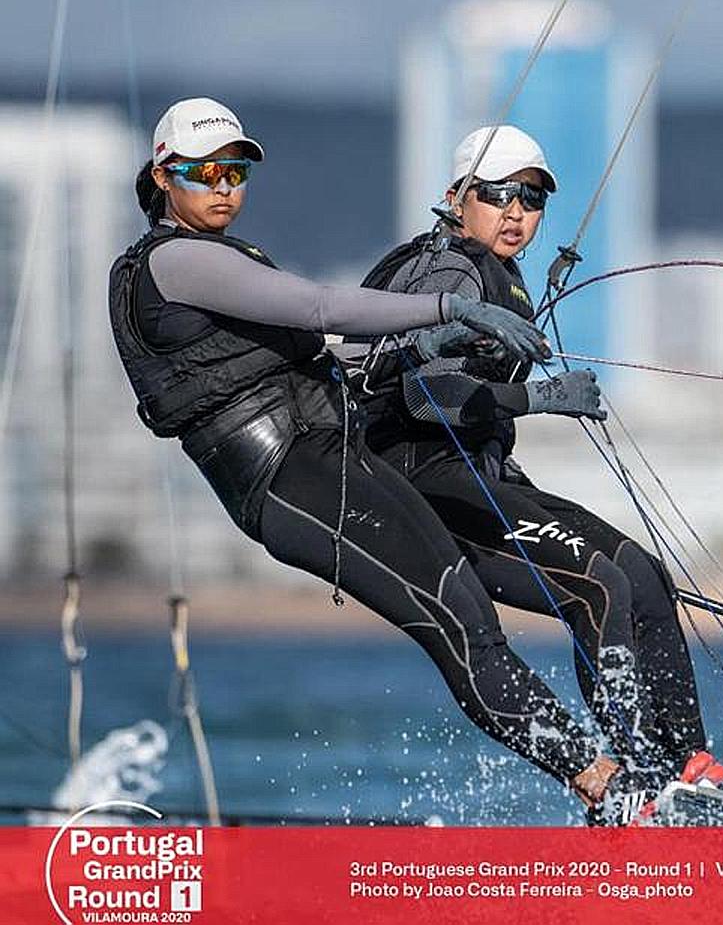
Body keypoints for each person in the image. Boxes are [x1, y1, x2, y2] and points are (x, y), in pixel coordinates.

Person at [109, 98, 664, 824]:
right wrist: (446, 312)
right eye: (204, 171)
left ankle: (626, 784)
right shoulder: (173, 260)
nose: (223, 186)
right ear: (163, 175)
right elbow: (317, 308)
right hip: (284, 473)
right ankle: (607, 787)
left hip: (331, 455)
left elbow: (304, 352)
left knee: (469, 609)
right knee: (458, 625)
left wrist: (421, 349)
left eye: (236, 171)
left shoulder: (216, 258)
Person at [345, 127, 721, 807]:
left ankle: (685, 766)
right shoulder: (450, 270)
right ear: (455, 198)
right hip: (419, 481)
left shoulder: (497, 272)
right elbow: (423, 394)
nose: (516, 210)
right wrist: (539, 397)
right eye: (496, 193)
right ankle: (634, 778)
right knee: (598, 583)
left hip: (476, 475)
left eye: (532, 196)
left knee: (641, 571)